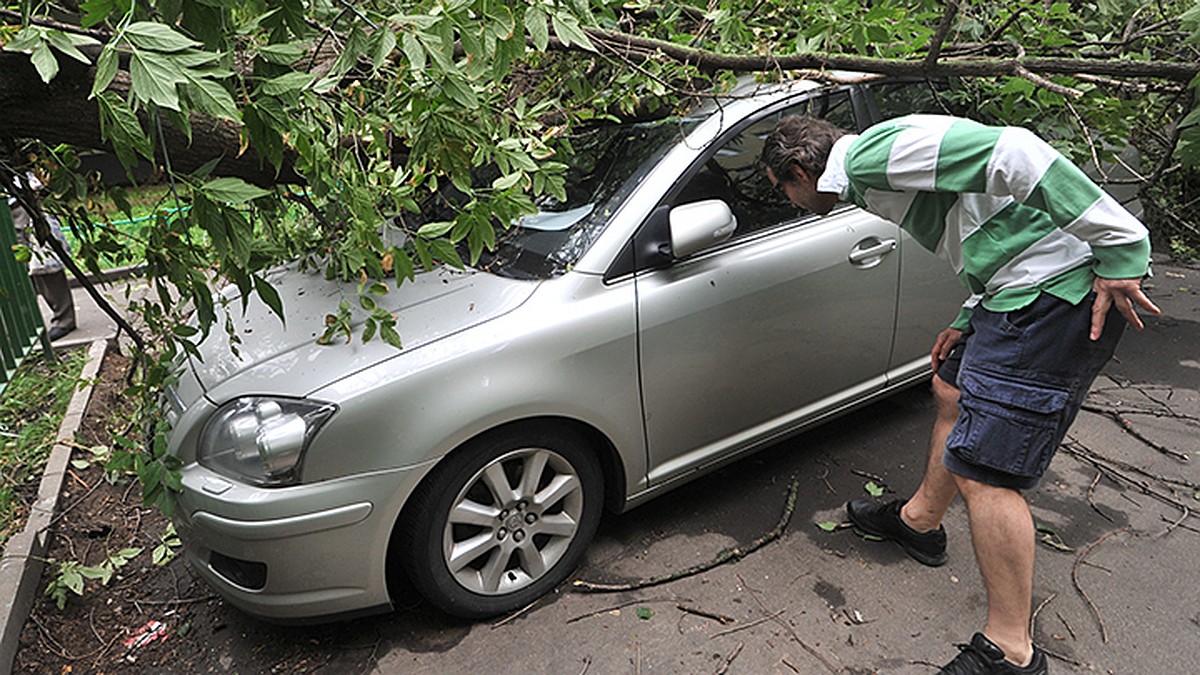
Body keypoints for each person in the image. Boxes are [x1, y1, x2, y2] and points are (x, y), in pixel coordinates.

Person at [759, 114, 1158, 675]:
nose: (793, 203)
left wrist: (1121, 247)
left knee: (987, 475)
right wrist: (970, 315)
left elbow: (1015, 149)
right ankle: (918, 523)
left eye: (786, 193)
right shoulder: (869, 173)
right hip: (1011, 289)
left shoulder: (868, 157)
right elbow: (985, 219)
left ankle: (1010, 652)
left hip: (1047, 298)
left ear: (799, 170)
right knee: (949, 385)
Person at [8, 178, 77, 341]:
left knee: (43, 261)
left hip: (21, 200)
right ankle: (25, 327)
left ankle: (64, 320)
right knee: (13, 269)